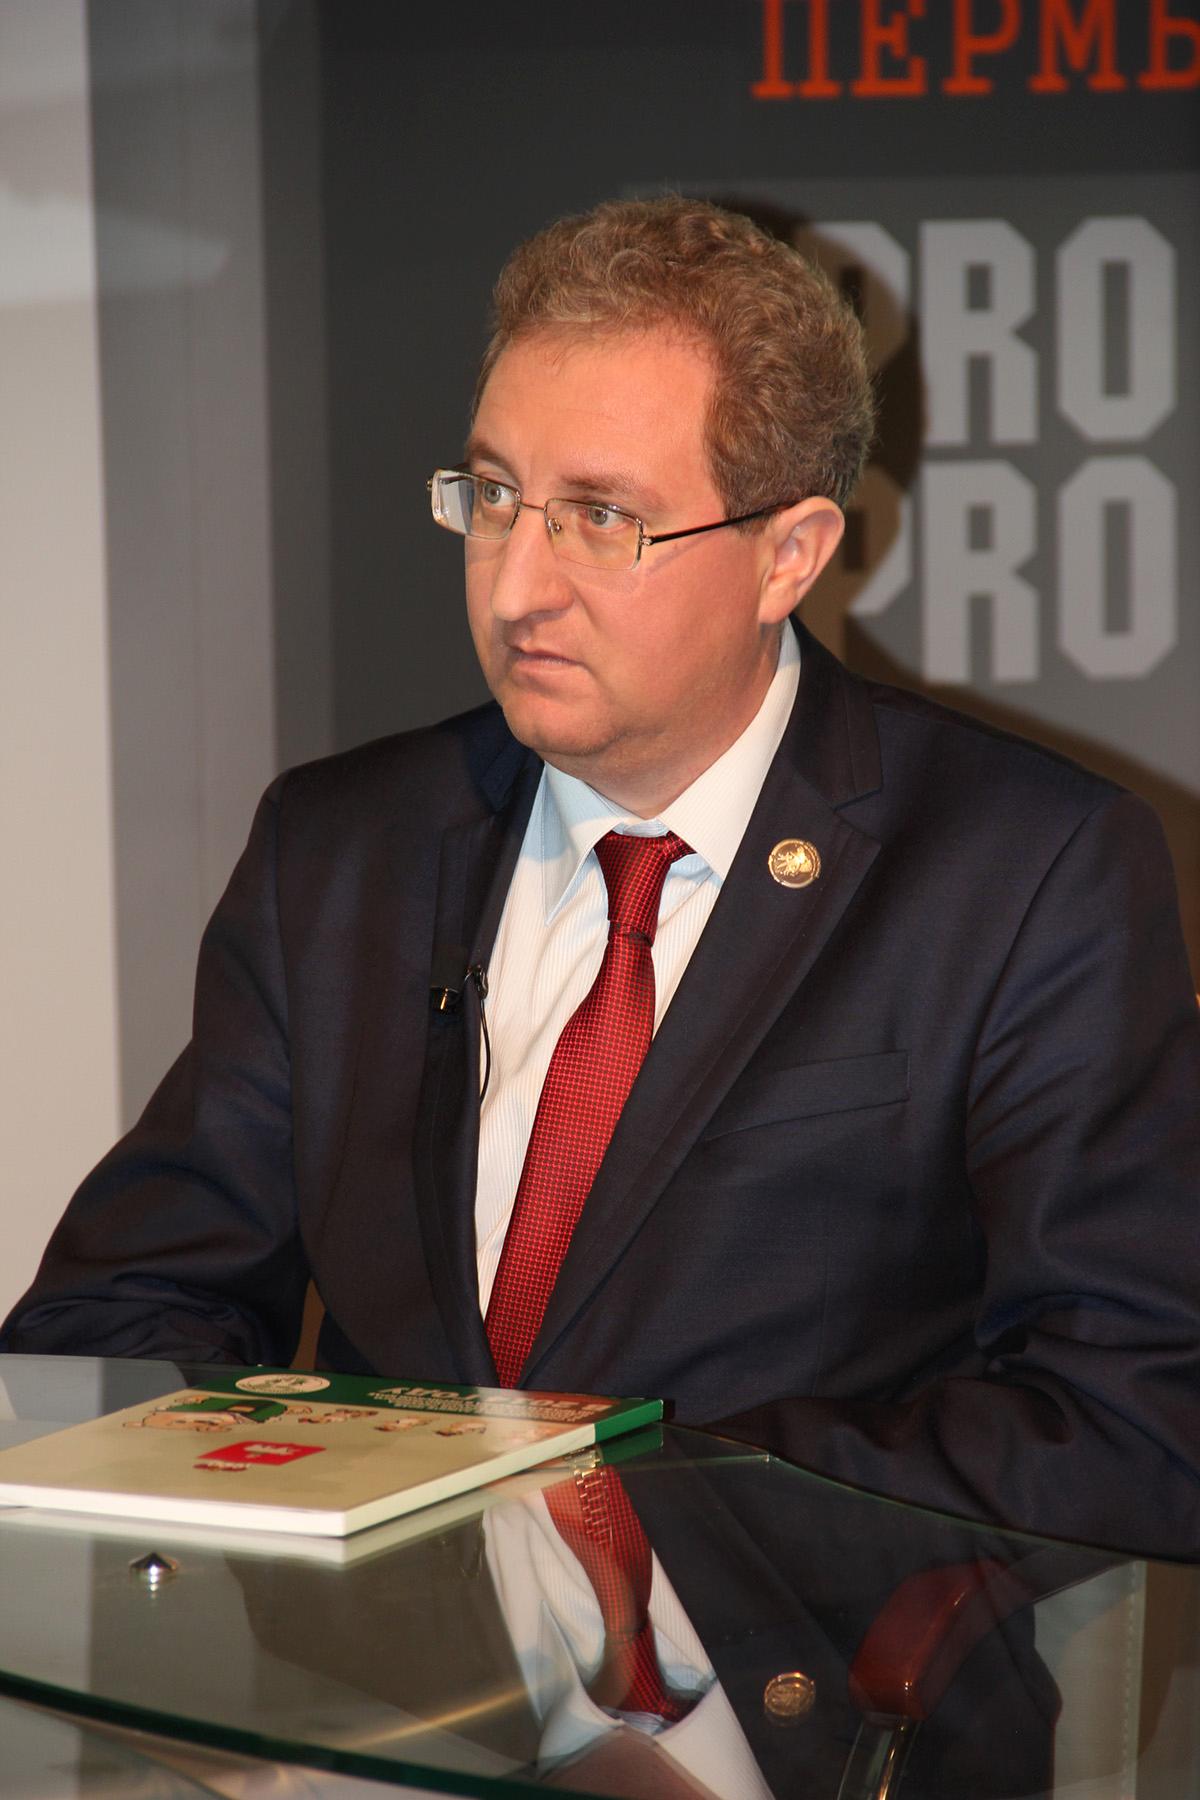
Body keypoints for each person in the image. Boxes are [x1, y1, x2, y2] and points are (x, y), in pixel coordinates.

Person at [5, 196, 1199, 1557]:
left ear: (789, 556)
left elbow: (1134, 1422)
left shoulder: (1024, 869)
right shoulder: (340, 849)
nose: (517, 586)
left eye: (601, 518)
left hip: (804, 1671)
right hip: (389, 1679)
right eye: (494, 498)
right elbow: (112, 1323)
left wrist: (618, 1499)